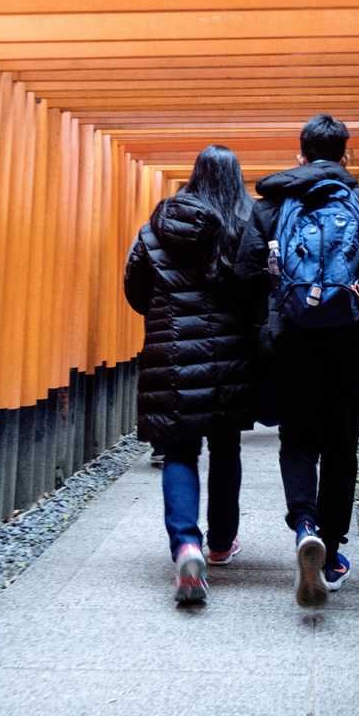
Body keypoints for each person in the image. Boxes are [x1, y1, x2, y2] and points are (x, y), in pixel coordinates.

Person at [235, 114, 359, 606]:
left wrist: (274, 320)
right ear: (346, 155)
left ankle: (304, 522)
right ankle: (330, 551)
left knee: (298, 438)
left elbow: (248, 277)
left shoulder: (271, 208)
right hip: (354, 341)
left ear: (301, 155)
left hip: (291, 340)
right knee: (342, 444)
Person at [124, 145, 258, 603]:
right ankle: (220, 543)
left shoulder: (154, 228)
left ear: (194, 176)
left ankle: (185, 544)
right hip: (231, 355)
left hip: (172, 353)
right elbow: (260, 290)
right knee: (226, 448)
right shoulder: (246, 227)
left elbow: (135, 289)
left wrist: (166, 316)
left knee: (179, 450)